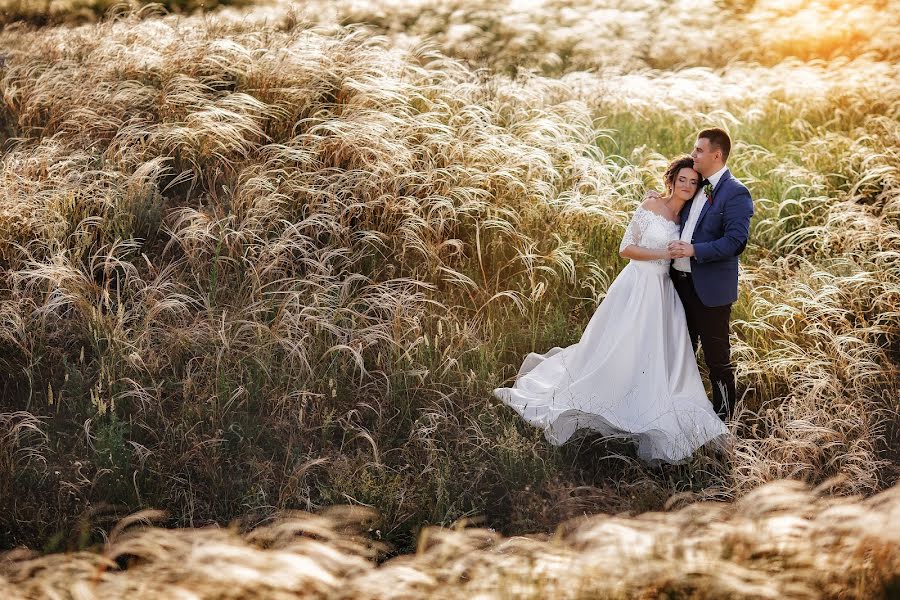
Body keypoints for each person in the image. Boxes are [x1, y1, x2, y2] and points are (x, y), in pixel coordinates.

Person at [492, 156, 728, 464]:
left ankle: (649, 402)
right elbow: (625, 248)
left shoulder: (688, 218)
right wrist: (661, 252)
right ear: (671, 180)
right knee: (619, 345)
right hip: (636, 285)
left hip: (662, 292)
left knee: (655, 354)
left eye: (693, 182)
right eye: (682, 180)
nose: (686, 186)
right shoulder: (650, 206)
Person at [665, 128, 754, 419]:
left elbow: (735, 242)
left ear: (716, 155)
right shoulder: (698, 184)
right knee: (682, 353)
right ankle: (683, 412)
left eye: (699, 150)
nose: (694, 155)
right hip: (679, 284)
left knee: (717, 360)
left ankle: (726, 421)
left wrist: (694, 250)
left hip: (710, 290)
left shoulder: (735, 192)